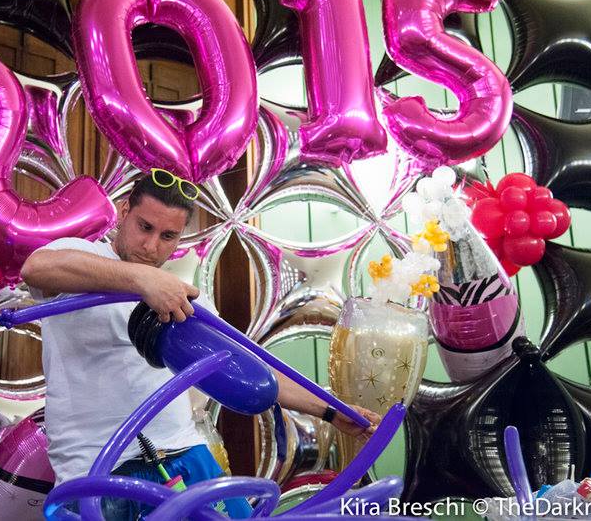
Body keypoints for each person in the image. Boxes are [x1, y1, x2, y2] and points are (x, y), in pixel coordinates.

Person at [21, 169, 381, 519]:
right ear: (124, 211)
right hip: (96, 470)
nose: (151, 246)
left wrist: (331, 411)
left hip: (186, 458)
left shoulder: (183, 296)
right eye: (145, 227)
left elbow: (249, 366)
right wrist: (141, 279)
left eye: (168, 236)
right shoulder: (80, 255)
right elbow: (36, 268)